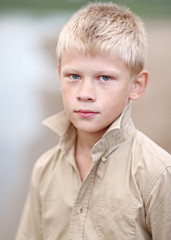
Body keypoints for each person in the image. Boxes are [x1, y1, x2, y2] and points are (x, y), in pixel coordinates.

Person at [16, 2, 171, 240]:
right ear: (60, 76)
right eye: (74, 76)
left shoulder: (158, 173)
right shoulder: (44, 169)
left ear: (136, 85)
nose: (85, 93)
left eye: (105, 78)